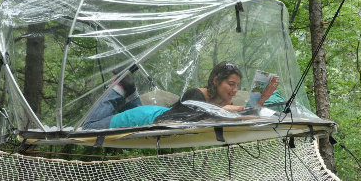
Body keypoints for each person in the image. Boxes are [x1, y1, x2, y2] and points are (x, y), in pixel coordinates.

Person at [82, 61, 244, 130]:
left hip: (150, 113)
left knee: (139, 111)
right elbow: (205, 115)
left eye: (237, 85)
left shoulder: (211, 100)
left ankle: (129, 89)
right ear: (216, 81)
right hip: (142, 118)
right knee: (88, 128)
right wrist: (231, 109)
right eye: (231, 84)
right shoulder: (197, 96)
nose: (235, 90)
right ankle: (119, 89)